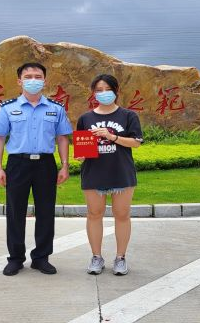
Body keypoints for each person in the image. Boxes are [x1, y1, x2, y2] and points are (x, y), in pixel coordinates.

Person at [0, 62, 72, 276]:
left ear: (44, 80)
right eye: (28, 77)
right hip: (18, 164)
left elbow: (62, 138)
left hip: (46, 164)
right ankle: (15, 258)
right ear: (19, 81)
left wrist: (64, 165)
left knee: (46, 212)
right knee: (15, 212)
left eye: (38, 76)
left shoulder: (56, 108)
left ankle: (41, 258)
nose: (33, 80)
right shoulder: (8, 108)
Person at [75, 74, 143, 276]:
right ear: (93, 93)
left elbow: (136, 142)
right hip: (94, 173)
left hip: (121, 172)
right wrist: (80, 154)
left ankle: (120, 258)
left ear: (116, 91)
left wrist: (111, 136)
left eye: (107, 89)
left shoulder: (128, 116)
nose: (103, 93)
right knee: (94, 214)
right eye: (99, 90)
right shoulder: (86, 118)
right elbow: (82, 148)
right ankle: (96, 257)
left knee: (122, 214)